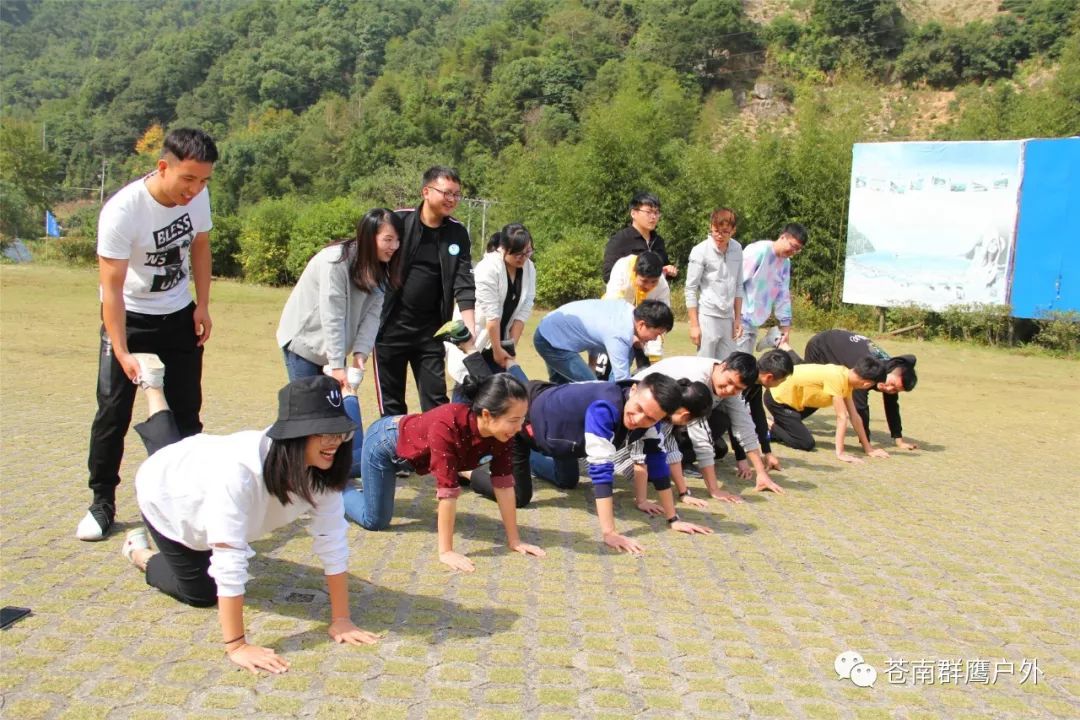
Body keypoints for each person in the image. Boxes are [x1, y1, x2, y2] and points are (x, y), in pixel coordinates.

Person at [121, 365, 379, 674]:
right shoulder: (239, 474)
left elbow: (332, 539)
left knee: (170, 451)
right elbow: (228, 560)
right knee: (200, 592)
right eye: (323, 432)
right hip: (166, 498)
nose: (335, 442)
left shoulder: (322, 469)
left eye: (340, 431)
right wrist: (237, 645)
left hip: (196, 462)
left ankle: (154, 391)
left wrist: (341, 619)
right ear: (293, 435)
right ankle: (138, 553)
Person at [78, 128, 218, 541]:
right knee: (112, 412)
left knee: (187, 412)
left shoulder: (198, 197)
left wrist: (203, 304)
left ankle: (187, 504)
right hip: (131, 317)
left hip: (178, 315)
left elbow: (201, 247)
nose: (194, 190)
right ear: (163, 167)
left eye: (204, 181)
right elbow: (112, 290)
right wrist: (121, 350)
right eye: (188, 179)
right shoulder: (123, 211)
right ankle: (102, 502)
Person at [342, 373, 545, 573]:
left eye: (522, 420)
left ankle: (336, 451)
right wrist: (446, 551)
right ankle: (332, 485)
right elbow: (447, 492)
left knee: (340, 463)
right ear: (486, 414)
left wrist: (514, 540)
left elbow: (503, 484)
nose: (519, 428)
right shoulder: (448, 425)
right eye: (514, 420)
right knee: (374, 520)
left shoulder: (503, 434)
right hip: (385, 447)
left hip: (412, 455)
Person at [276, 208, 404, 459]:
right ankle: (294, 470)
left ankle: (329, 474)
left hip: (332, 349)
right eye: (388, 239)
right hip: (305, 341)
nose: (394, 246)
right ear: (369, 237)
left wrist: (359, 357)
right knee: (309, 412)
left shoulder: (381, 268)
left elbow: (371, 318)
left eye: (397, 240)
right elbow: (332, 315)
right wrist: (337, 365)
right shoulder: (335, 261)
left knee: (332, 411)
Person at [373, 166, 475, 417]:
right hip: (389, 330)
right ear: (426, 191)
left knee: (436, 403)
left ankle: (434, 456)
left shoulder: (457, 232)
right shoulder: (398, 221)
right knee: (392, 407)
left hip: (431, 333)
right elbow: (371, 259)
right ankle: (395, 455)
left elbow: (464, 283)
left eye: (457, 194)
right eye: (446, 193)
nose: (452, 199)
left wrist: (470, 330)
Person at [640, 353, 788, 503]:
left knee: (720, 433)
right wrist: (714, 489)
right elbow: (701, 439)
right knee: (650, 468)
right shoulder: (697, 380)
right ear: (723, 366)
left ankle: (671, 461)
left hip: (666, 423)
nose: (729, 390)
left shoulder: (732, 386)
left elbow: (744, 426)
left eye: (737, 388)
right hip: (641, 412)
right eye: (729, 382)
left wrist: (761, 473)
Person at [446, 223, 535, 397]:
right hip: (478, 338)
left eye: (528, 252)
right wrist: (497, 351)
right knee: (470, 387)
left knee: (496, 397)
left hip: (501, 342)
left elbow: (524, 310)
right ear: (503, 248)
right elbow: (492, 318)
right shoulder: (488, 269)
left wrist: (510, 349)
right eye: (518, 253)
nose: (523, 258)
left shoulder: (529, 268)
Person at [802, 330, 919, 450]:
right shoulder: (871, 369)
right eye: (892, 384)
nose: (889, 389)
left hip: (842, 349)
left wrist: (899, 440)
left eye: (895, 390)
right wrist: (867, 445)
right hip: (822, 346)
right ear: (892, 370)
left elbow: (892, 406)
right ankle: (786, 417)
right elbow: (860, 408)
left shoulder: (891, 372)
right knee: (816, 393)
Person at [765, 354, 891, 463]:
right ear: (867, 384)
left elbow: (855, 416)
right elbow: (842, 417)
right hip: (777, 399)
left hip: (794, 403)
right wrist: (840, 453)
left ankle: (777, 426)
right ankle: (767, 422)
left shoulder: (845, 375)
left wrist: (868, 448)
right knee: (805, 443)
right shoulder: (837, 377)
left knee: (819, 403)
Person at [532, 299, 673, 383]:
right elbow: (621, 380)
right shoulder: (620, 333)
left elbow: (594, 333)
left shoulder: (627, 309)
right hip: (551, 341)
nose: (655, 339)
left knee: (564, 386)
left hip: (552, 329)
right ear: (641, 324)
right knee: (592, 387)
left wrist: (592, 364)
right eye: (657, 334)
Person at [737, 223, 807, 354]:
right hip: (739, 317)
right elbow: (735, 282)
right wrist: (733, 318)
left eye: (798, 250)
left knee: (743, 365)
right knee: (739, 367)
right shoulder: (758, 251)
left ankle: (773, 336)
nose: (793, 252)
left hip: (754, 322)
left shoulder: (785, 263)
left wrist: (785, 329)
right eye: (793, 246)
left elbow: (783, 296)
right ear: (783, 237)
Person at [686, 208, 744, 361]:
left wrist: (738, 318)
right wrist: (694, 325)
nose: (719, 235)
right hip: (708, 316)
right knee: (704, 365)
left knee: (727, 365)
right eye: (715, 231)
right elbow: (690, 289)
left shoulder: (737, 249)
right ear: (711, 227)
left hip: (728, 318)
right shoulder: (700, 250)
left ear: (733, 230)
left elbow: (738, 285)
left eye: (725, 231)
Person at [602, 192, 677, 283]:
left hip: (655, 296)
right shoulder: (620, 240)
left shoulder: (658, 241)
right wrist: (640, 276)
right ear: (633, 213)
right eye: (648, 212)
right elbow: (608, 275)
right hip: (627, 296)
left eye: (656, 212)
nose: (653, 217)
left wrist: (669, 271)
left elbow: (662, 270)